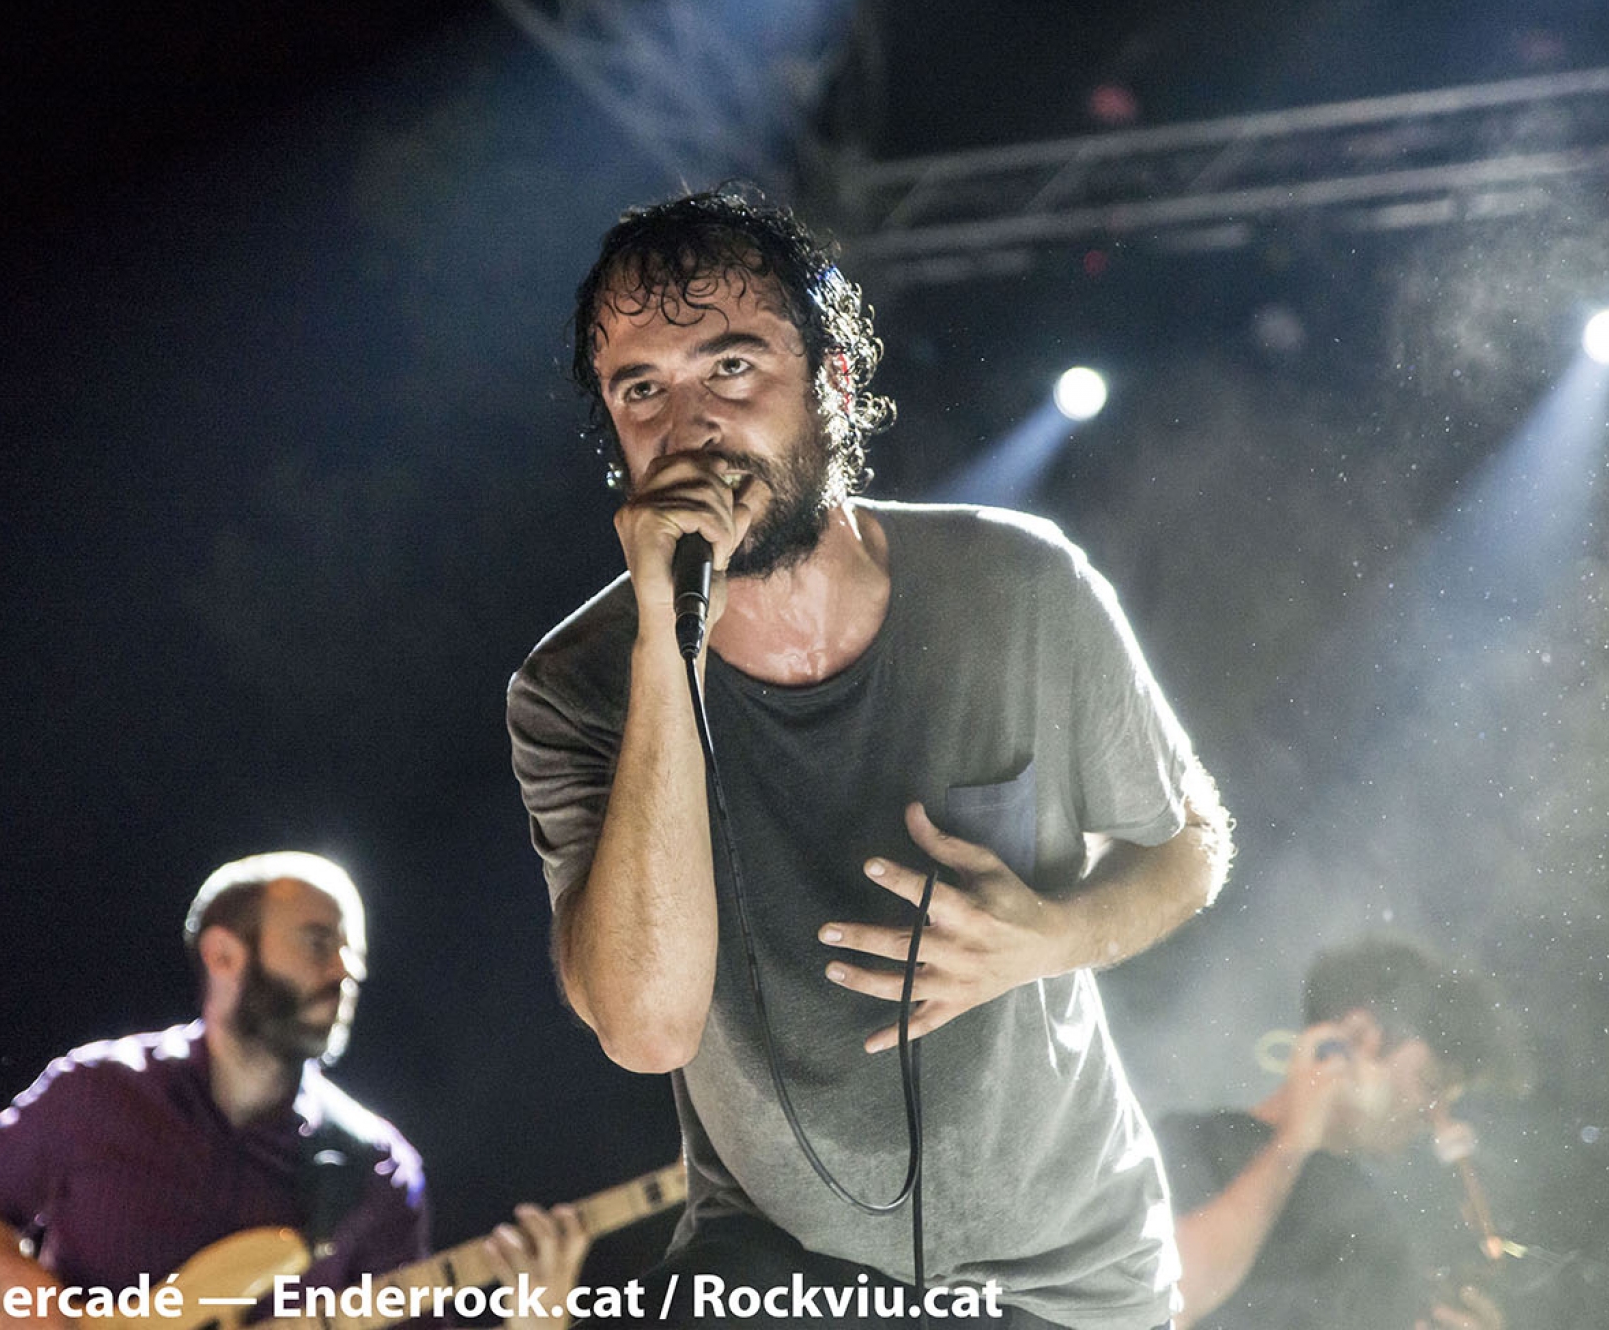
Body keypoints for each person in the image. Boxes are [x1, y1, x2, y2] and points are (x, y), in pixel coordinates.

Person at [507, 189, 1233, 1329]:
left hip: (1062, 1277)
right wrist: (663, 640)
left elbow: (1190, 840)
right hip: (779, 1266)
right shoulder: (573, 687)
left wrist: (1054, 936)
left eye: (731, 366)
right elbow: (647, 1028)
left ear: (833, 385)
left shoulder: (1020, 585)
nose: (689, 426)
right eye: (640, 389)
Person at [0, 850, 590, 1329]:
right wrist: (48, 1311)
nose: (345, 971)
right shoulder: (98, 1088)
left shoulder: (376, 1169)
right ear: (224, 954)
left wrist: (536, 1321)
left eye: (352, 952)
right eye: (318, 943)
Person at [1154, 934, 1529, 1330]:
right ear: (1358, 1036)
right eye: (1430, 1083)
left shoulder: (1381, 1228)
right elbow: (1163, 1297)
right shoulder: (1192, 1142)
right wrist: (1295, 1139)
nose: (1438, 1118)